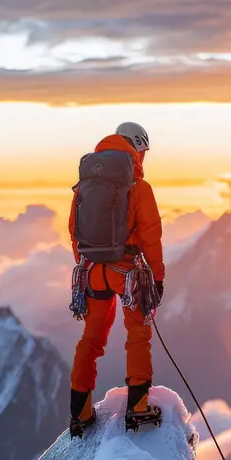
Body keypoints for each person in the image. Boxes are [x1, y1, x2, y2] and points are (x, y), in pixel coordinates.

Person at [69, 121, 165, 437]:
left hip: (92, 271)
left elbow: (75, 231)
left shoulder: (85, 184)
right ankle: (137, 407)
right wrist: (157, 278)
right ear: (137, 148)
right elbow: (151, 236)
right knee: (138, 331)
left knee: (92, 336)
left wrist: (86, 265)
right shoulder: (139, 188)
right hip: (128, 272)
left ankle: (80, 412)